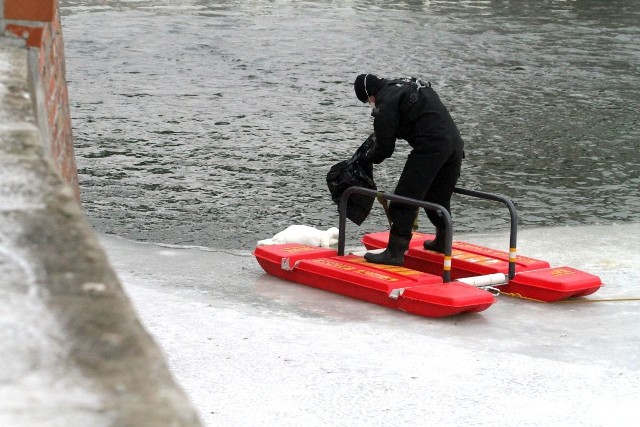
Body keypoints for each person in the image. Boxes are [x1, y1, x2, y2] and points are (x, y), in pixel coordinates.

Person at [353, 73, 464, 266]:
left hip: (431, 147)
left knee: (403, 200)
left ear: (370, 95)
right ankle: (442, 242)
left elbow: (385, 149)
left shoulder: (385, 103)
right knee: (437, 197)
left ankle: (395, 253)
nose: (370, 104)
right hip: (455, 145)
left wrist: (368, 157)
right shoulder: (403, 85)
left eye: (367, 101)